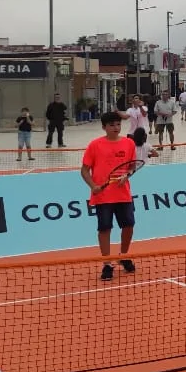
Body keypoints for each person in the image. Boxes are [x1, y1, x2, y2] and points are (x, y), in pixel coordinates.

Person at [80, 111, 137, 281]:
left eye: (118, 124)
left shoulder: (129, 144)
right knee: (104, 228)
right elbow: (84, 170)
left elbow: (132, 167)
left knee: (128, 226)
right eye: (112, 125)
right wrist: (93, 186)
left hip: (123, 194)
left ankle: (123, 255)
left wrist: (127, 175)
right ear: (104, 127)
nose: (116, 128)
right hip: (103, 196)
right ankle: (106, 263)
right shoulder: (95, 145)